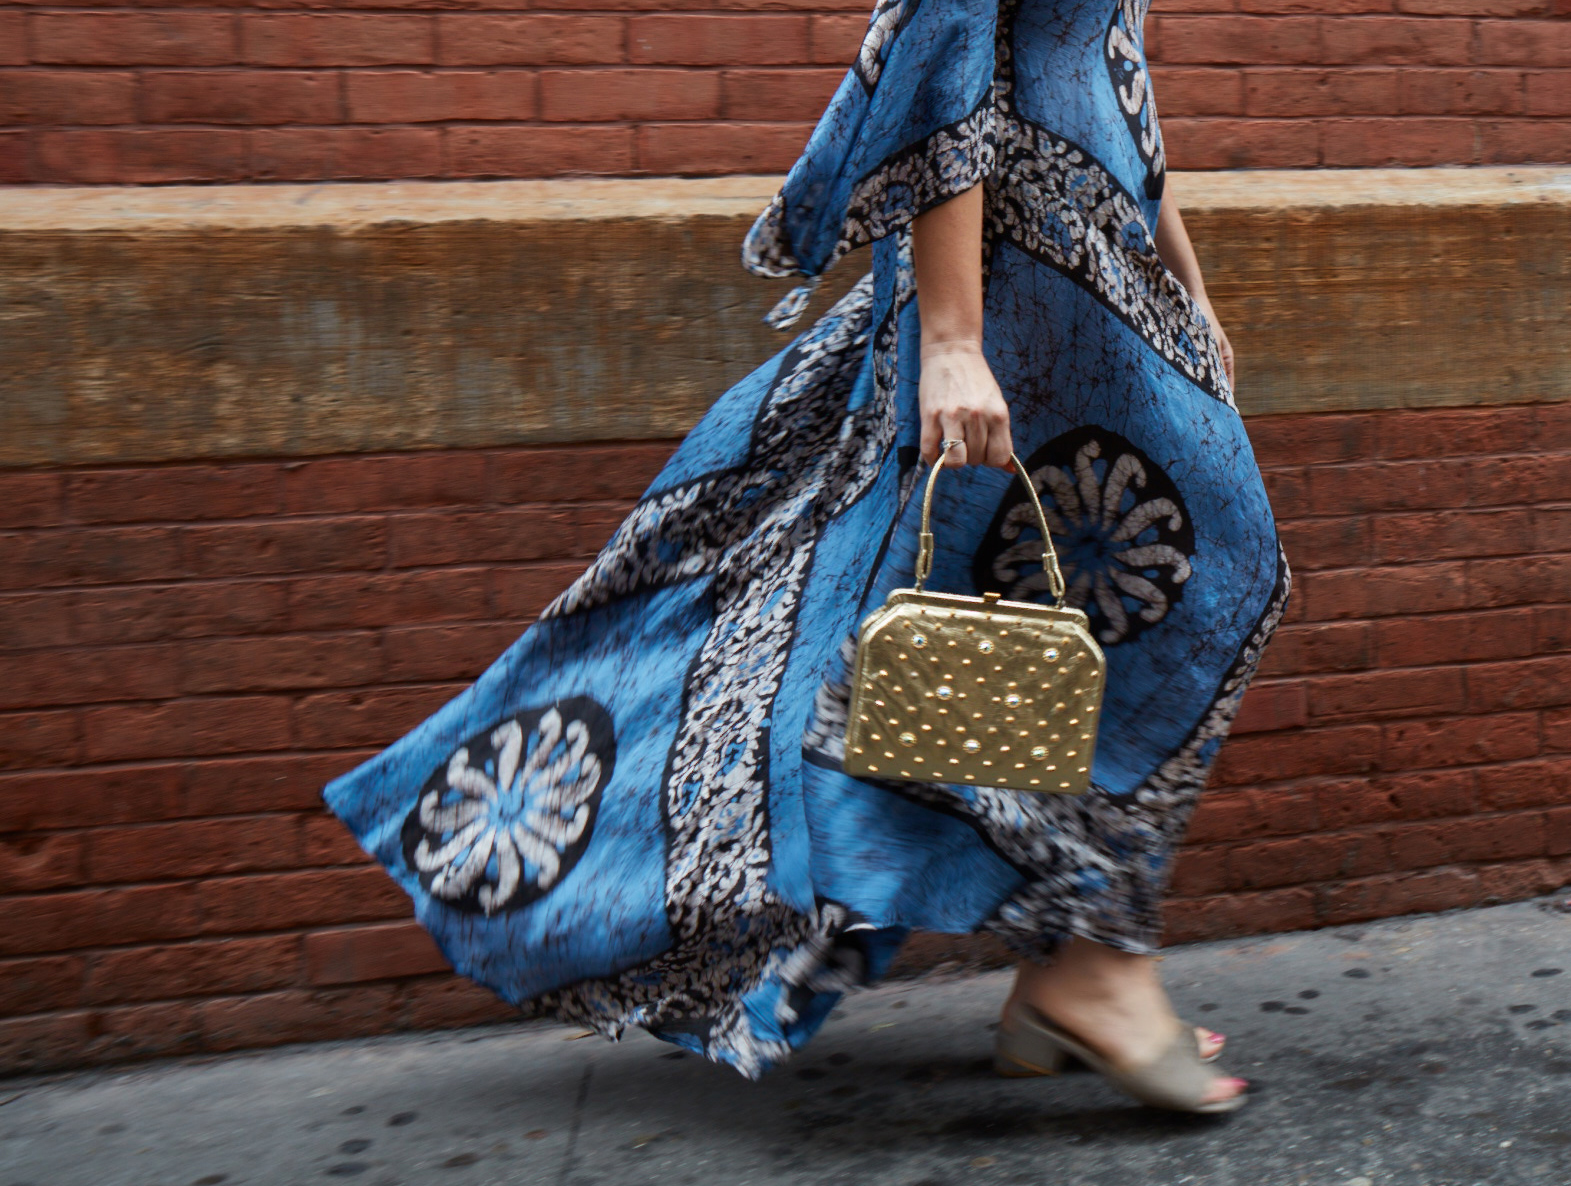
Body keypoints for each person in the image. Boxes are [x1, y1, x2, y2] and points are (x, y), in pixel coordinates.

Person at [324, 0, 1286, 1115]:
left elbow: (1111, 69)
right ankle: (1088, 967)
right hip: (1018, 283)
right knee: (1191, 568)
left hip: (1101, 284)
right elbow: (943, 62)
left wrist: (1183, 272)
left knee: (1106, 594)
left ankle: (1072, 965)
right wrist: (954, 341)